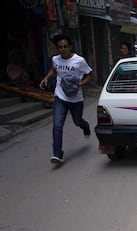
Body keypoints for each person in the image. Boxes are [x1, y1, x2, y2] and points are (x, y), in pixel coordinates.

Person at [39, 34, 93, 164]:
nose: (63, 49)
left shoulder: (79, 61)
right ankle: (57, 154)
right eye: (60, 47)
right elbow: (54, 69)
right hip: (60, 97)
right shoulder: (56, 60)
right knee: (57, 125)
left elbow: (90, 75)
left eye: (65, 46)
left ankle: (85, 125)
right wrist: (46, 78)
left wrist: (80, 84)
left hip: (76, 99)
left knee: (77, 121)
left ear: (70, 47)